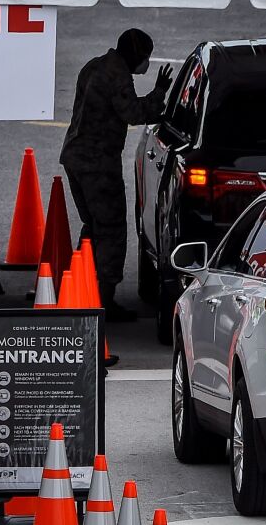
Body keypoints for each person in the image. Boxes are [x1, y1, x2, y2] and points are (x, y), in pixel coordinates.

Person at [60, 28, 173, 323]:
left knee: (93, 227)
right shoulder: (116, 75)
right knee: (110, 230)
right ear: (136, 55)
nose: (146, 63)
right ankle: (104, 300)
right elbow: (133, 113)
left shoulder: (95, 66)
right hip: (97, 164)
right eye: (145, 57)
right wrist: (159, 94)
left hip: (75, 157)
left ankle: (81, 285)